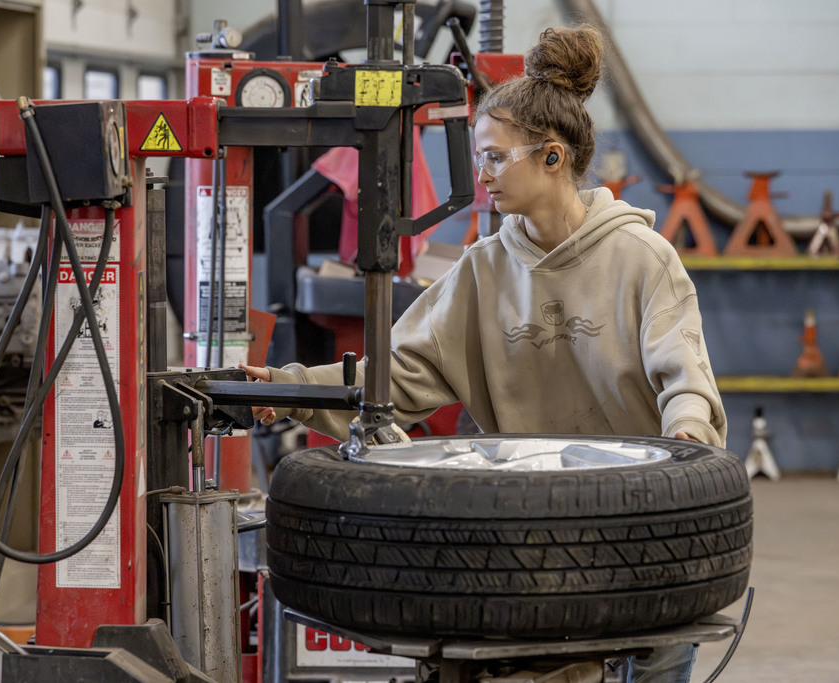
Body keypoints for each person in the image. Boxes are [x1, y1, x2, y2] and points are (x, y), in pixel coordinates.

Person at [245, 24, 726, 682]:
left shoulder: (643, 258)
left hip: (640, 528)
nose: (481, 175)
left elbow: (685, 381)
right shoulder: (483, 269)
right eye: (479, 157)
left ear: (552, 157)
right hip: (522, 537)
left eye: (496, 157)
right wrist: (290, 388)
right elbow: (398, 376)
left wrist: (685, 449)